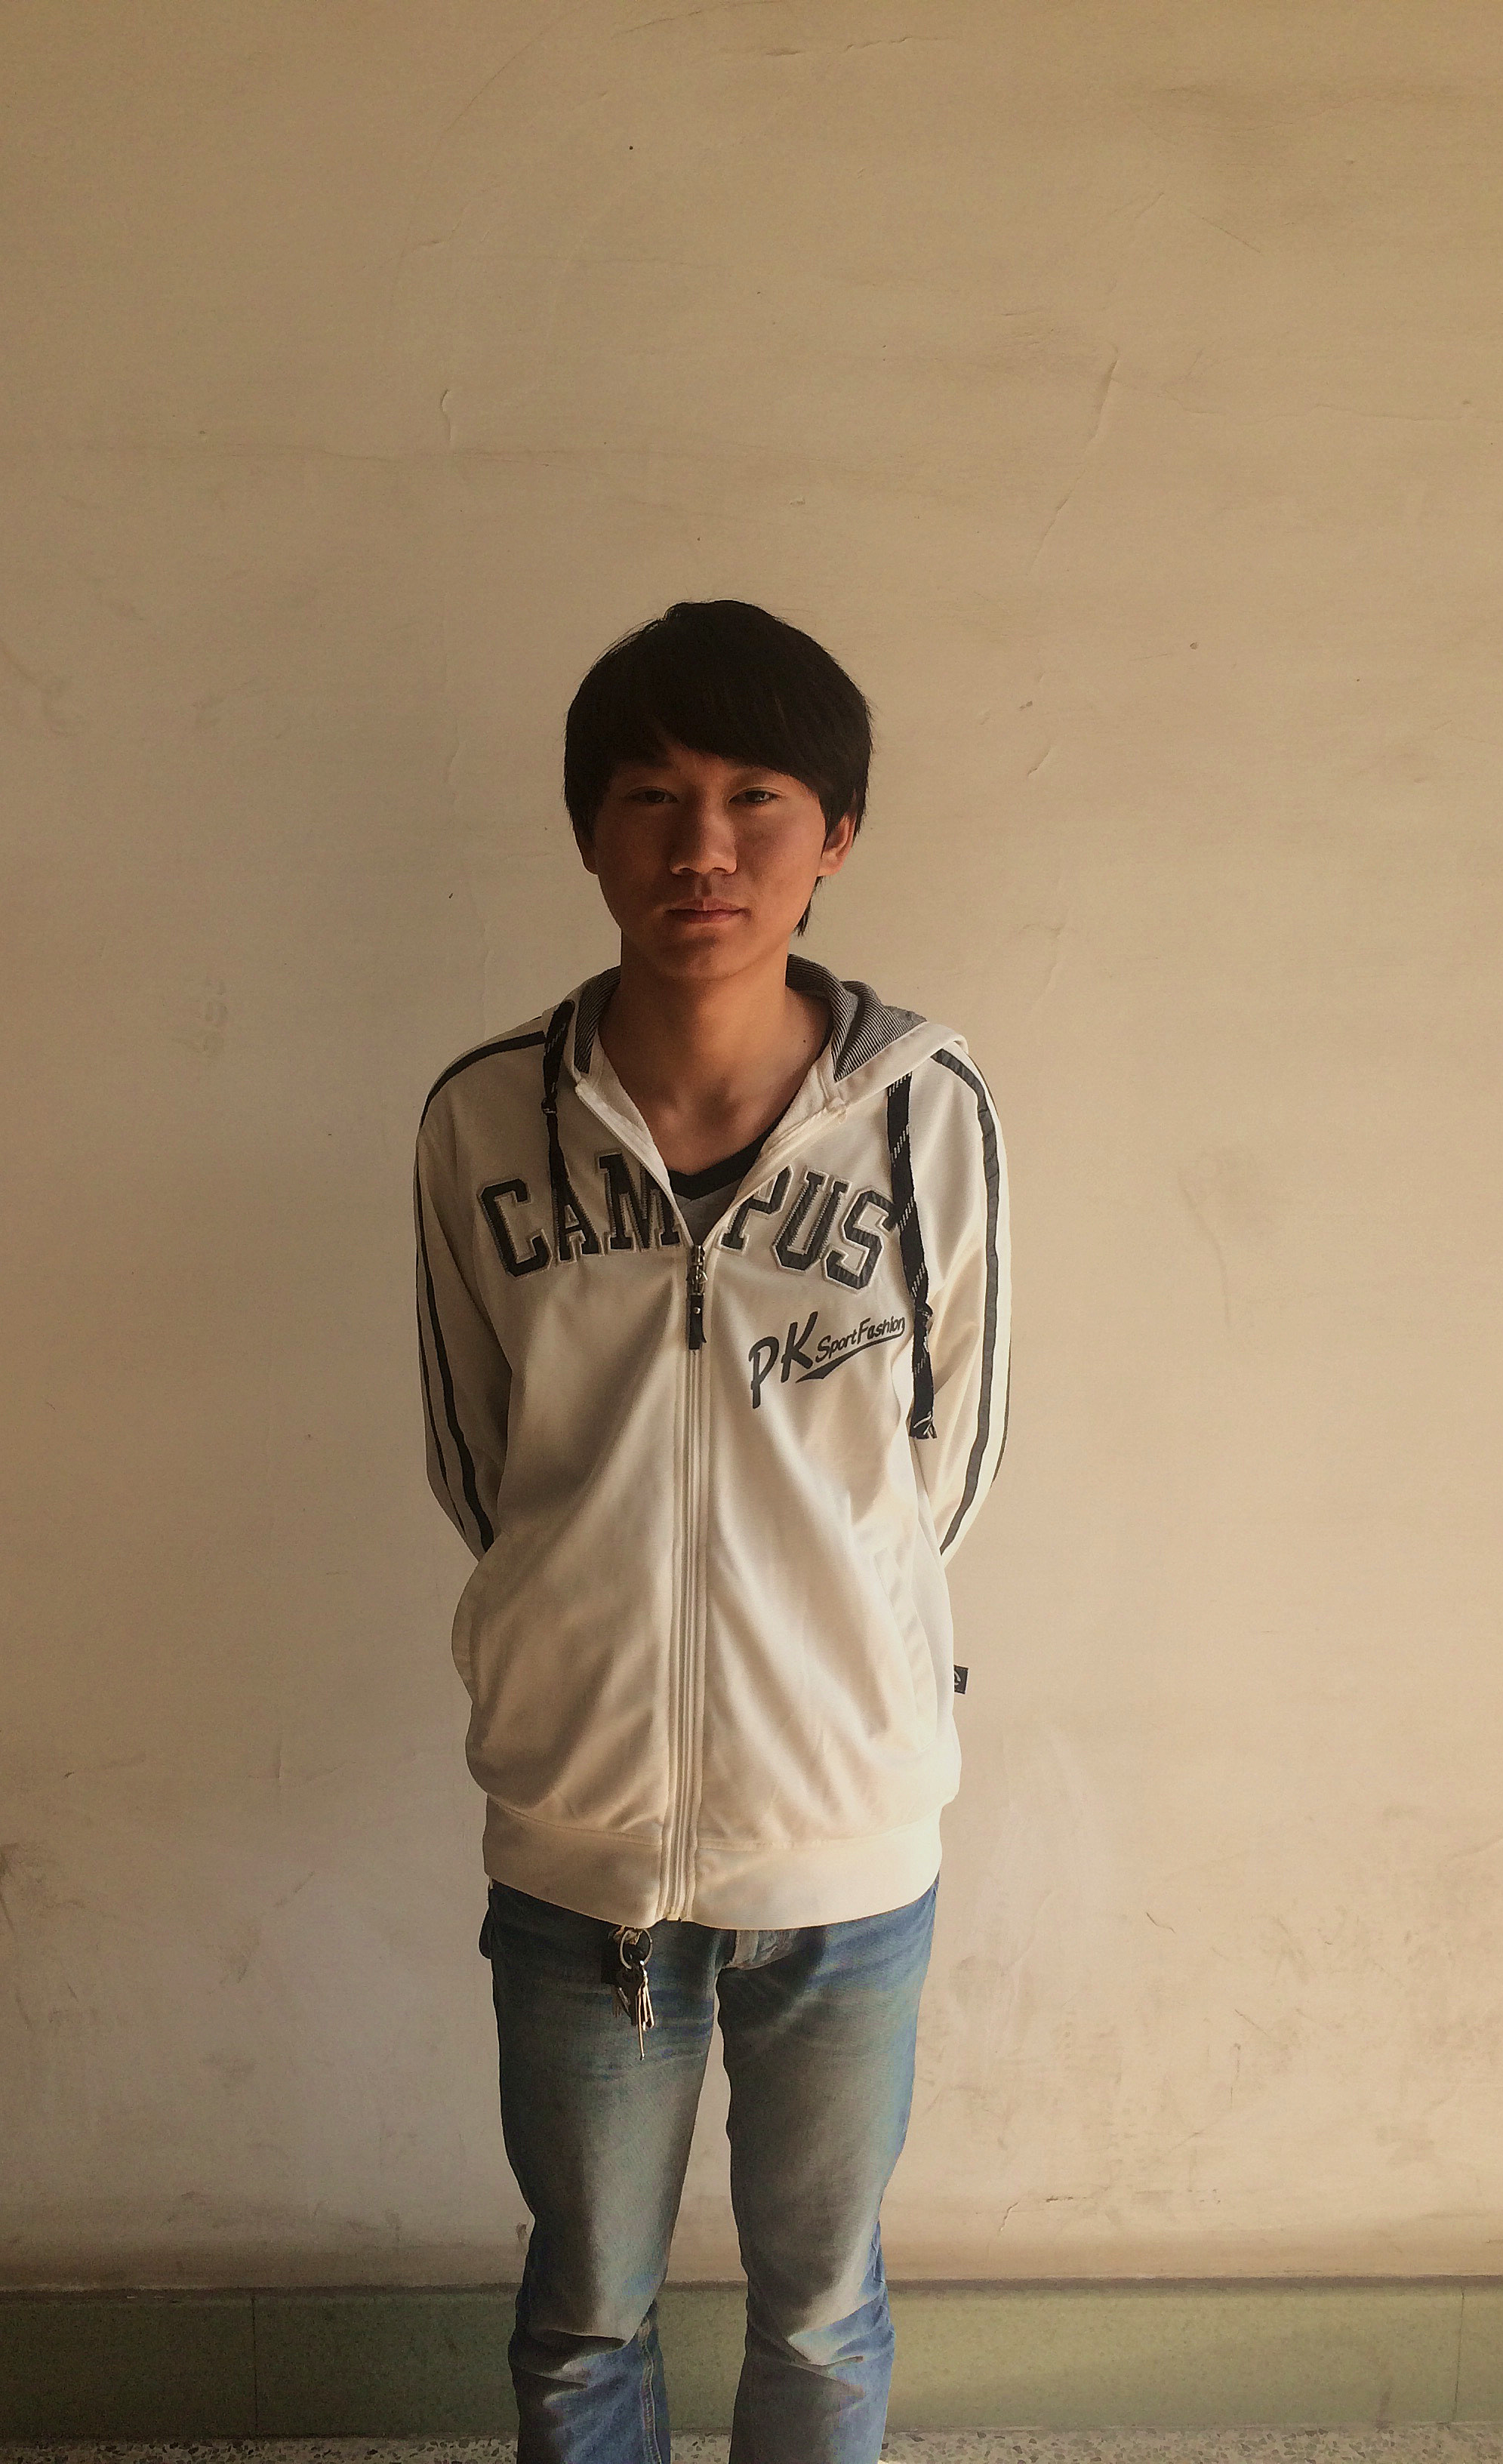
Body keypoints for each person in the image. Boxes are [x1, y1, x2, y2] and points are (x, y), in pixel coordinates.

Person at [414, 599, 1009, 2463]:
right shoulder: (482, 1121)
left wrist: (824, 1646)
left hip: (845, 1834)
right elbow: (480, 1459)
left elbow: (950, 1466)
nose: (704, 847)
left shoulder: (926, 1119)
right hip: (577, 1836)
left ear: (836, 836)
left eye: (759, 797)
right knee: (582, 2319)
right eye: (653, 797)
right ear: (587, 833)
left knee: (821, 2313)